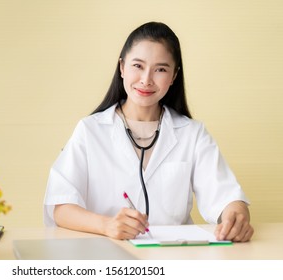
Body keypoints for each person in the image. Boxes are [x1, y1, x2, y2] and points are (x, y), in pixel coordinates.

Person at [43, 22, 254, 242]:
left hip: (174, 258)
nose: (146, 79)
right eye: (138, 66)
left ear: (173, 76)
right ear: (122, 68)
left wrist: (235, 217)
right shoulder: (90, 130)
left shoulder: (192, 133)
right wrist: (107, 226)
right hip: (107, 255)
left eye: (161, 69)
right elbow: (61, 207)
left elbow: (227, 197)